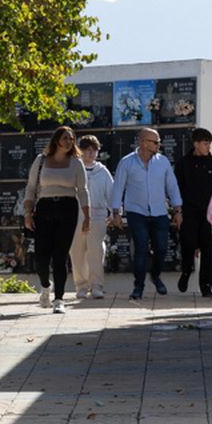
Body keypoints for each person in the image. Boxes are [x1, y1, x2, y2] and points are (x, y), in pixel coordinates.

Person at [23, 126, 92, 314]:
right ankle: (45, 285)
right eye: (65, 138)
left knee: (60, 256)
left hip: (67, 208)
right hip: (45, 208)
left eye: (71, 138)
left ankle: (59, 299)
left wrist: (87, 216)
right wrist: (28, 213)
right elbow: (30, 188)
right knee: (41, 258)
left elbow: (83, 190)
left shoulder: (76, 163)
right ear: (56, 140)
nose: (69, 142)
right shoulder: (41, 161)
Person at [109, 127, 182, 299]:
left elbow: (172, 186)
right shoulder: (127, 162)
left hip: (159, 211)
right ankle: (138, 286)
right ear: (143, 142)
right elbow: (118, 187)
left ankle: (155, 275)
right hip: (136, 212)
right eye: (155, 142)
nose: (159, 145)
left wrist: (178, 209)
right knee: (141, 248)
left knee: (162, 248)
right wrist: (116, 213)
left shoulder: (162, 162)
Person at [174, 128, 212, 297]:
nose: (208, 146)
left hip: (208, 214)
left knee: (208, 249)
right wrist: (178, 210)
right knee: (188, 244)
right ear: (196, 144)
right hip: (189, 211)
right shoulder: (183, 163)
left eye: (209, 143)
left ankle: (205, 285)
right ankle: (186, 271)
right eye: (205, 143)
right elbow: (176, 188)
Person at [70, 134, 115, 300]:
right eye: (86, 150)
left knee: (96, 250)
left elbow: (111, 193)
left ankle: (96, 285)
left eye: (93, 150)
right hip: (76, 215)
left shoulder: (103, 172)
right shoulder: (74, 168)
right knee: (77, 251)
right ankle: (81, 285)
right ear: (80, 151)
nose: (90, 154)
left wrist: (115, 212)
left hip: (97, 215)